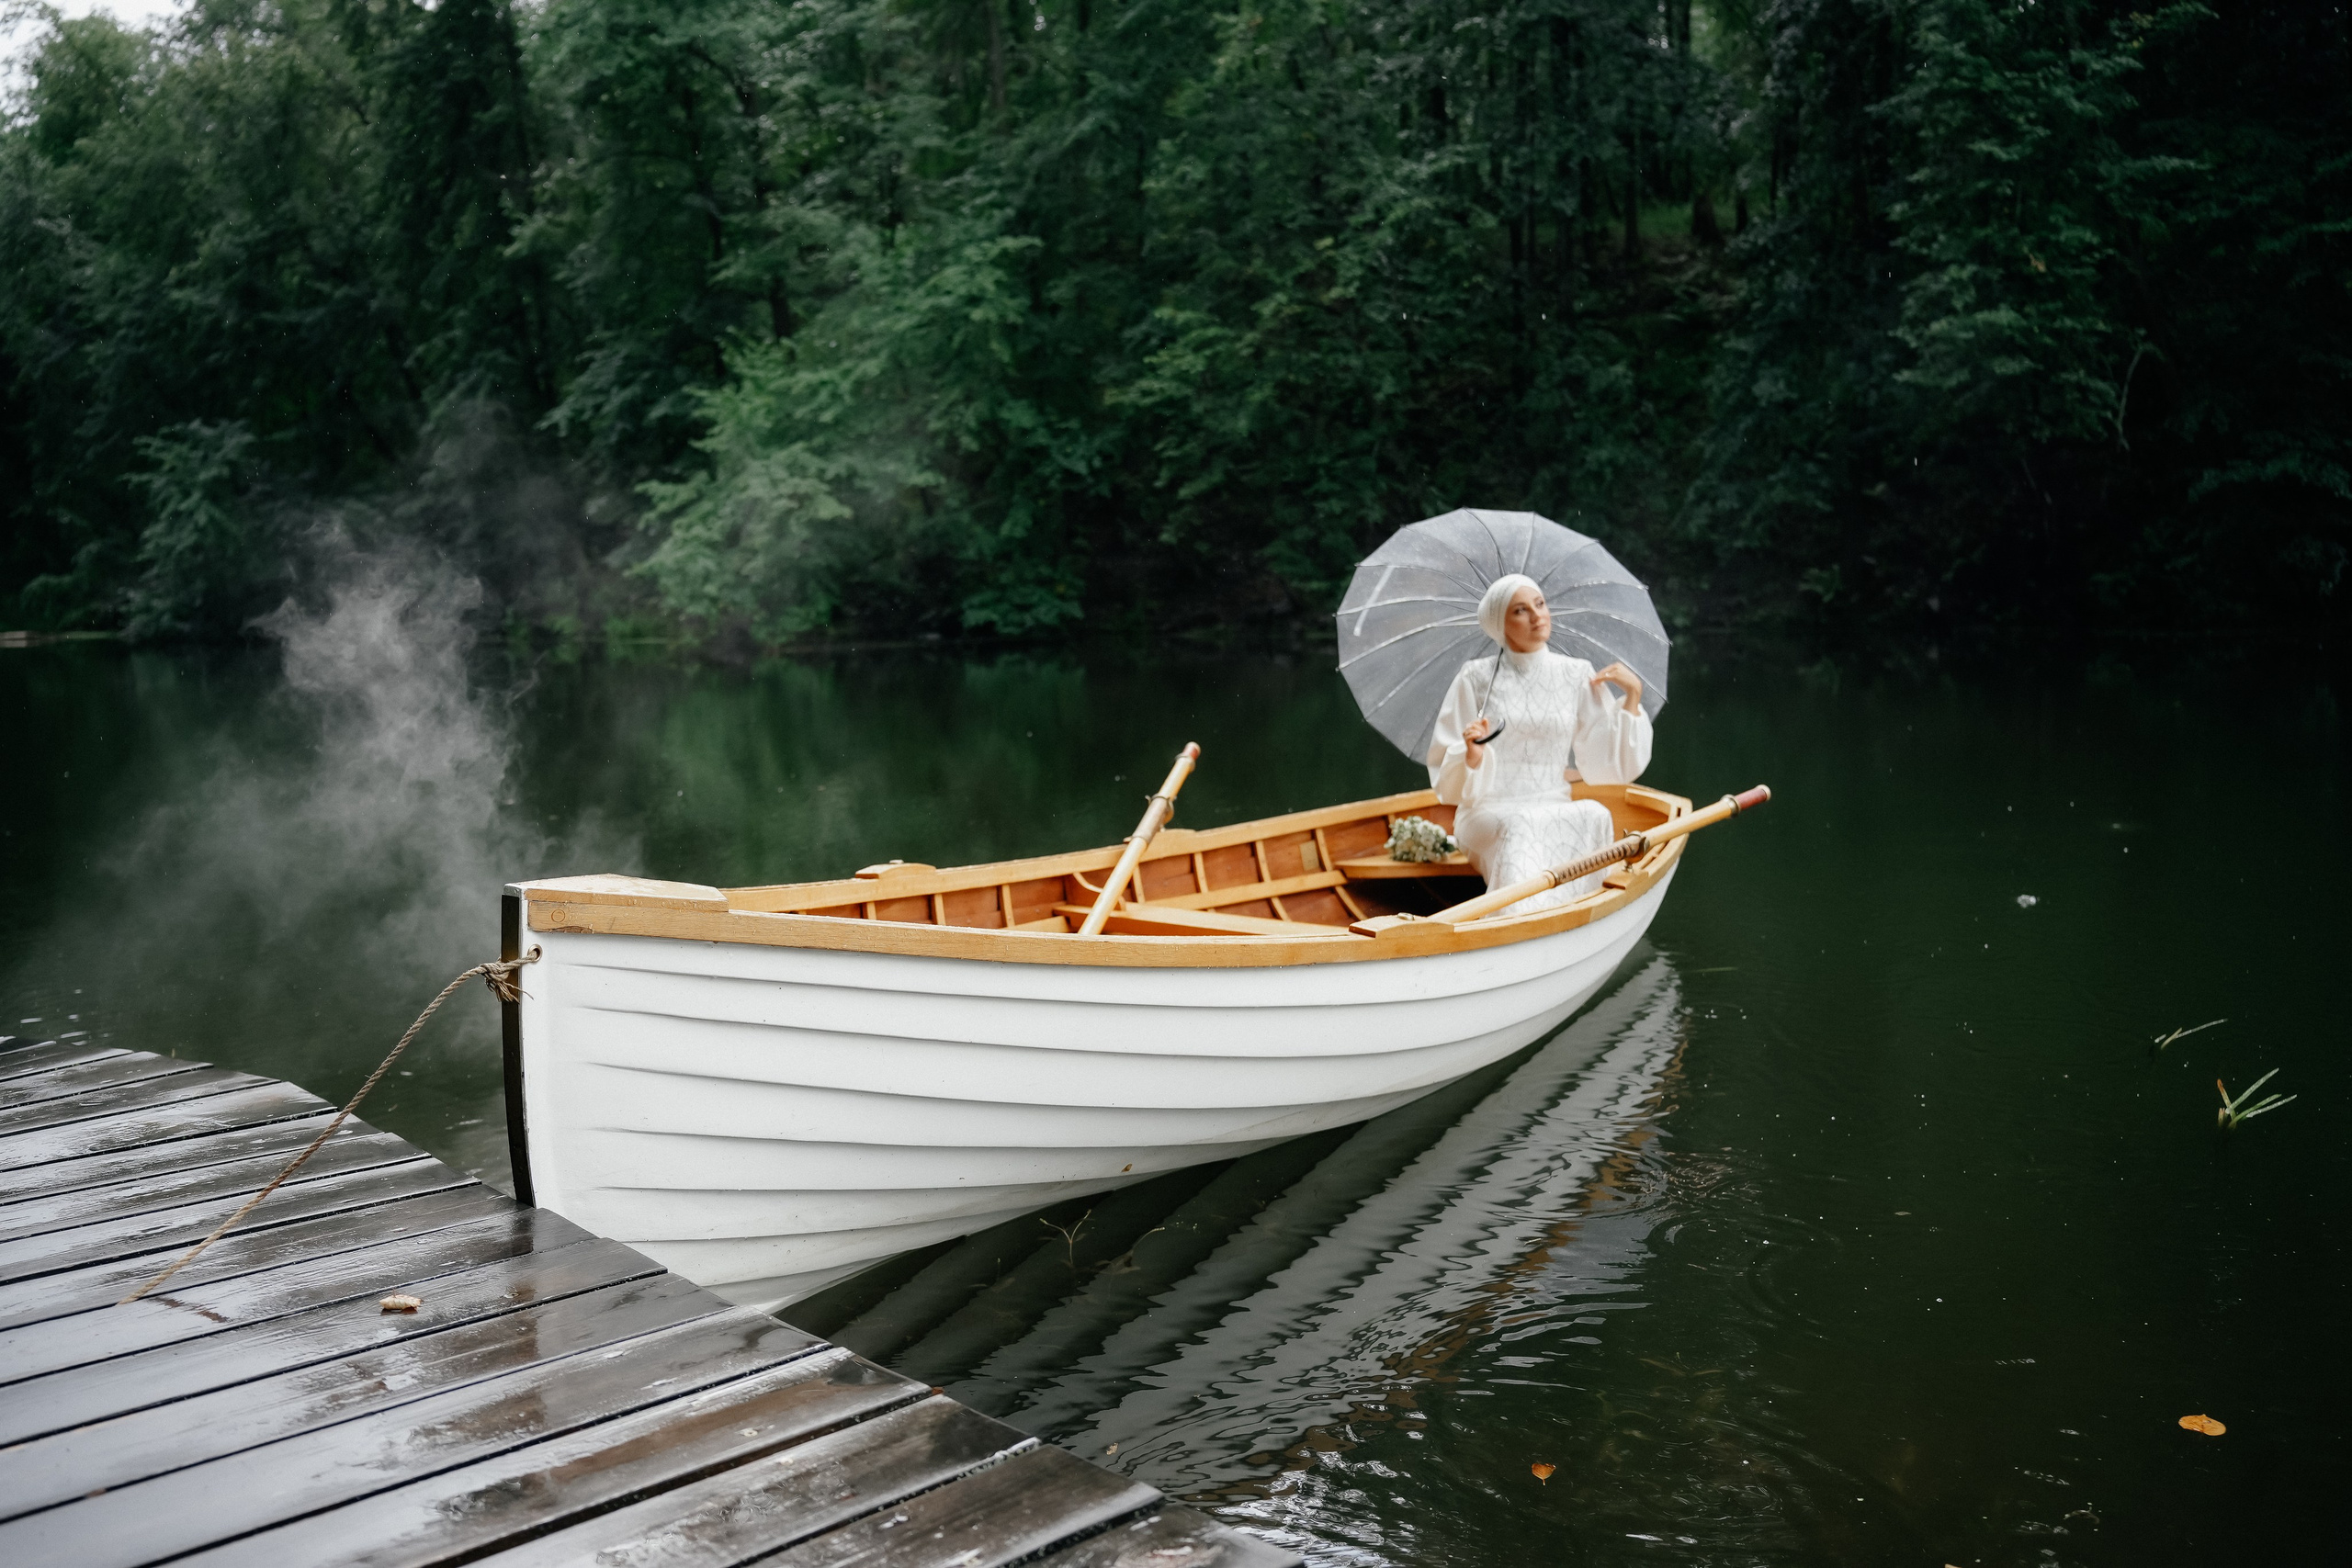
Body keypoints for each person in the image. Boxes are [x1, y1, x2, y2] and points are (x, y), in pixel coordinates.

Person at [1426, 574, 1653, 915]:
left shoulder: (1576, 673)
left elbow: (1606, 760)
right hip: (1487, 810)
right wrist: (1471, 755)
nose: (1537, 616)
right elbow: (1447, 776)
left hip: (1552, 801)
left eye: (1540, 604)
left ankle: (1580, 914)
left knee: (1596, 813)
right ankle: (1518, 922)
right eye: (1521, 610)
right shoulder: (1475, 677)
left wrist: (1633, 697)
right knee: (1520, 825)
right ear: (1499, 624)